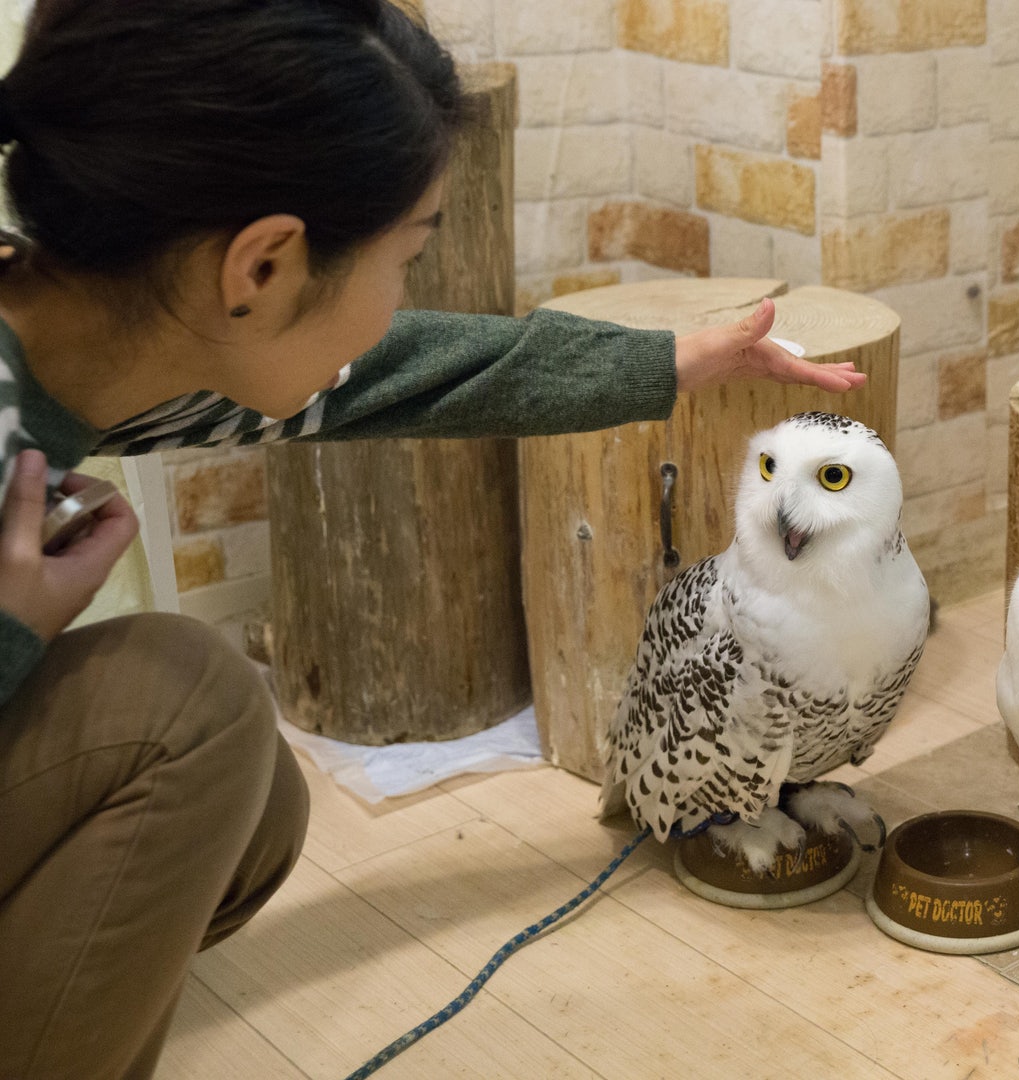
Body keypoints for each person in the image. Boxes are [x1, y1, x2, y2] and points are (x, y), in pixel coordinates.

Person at [0, 2, 864, 1076]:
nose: (403, 294)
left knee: (255, 806)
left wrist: (666, 364)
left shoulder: (112, 333)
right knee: (189, 706)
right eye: (407, 256)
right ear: (260, 269)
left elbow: (394, 374)